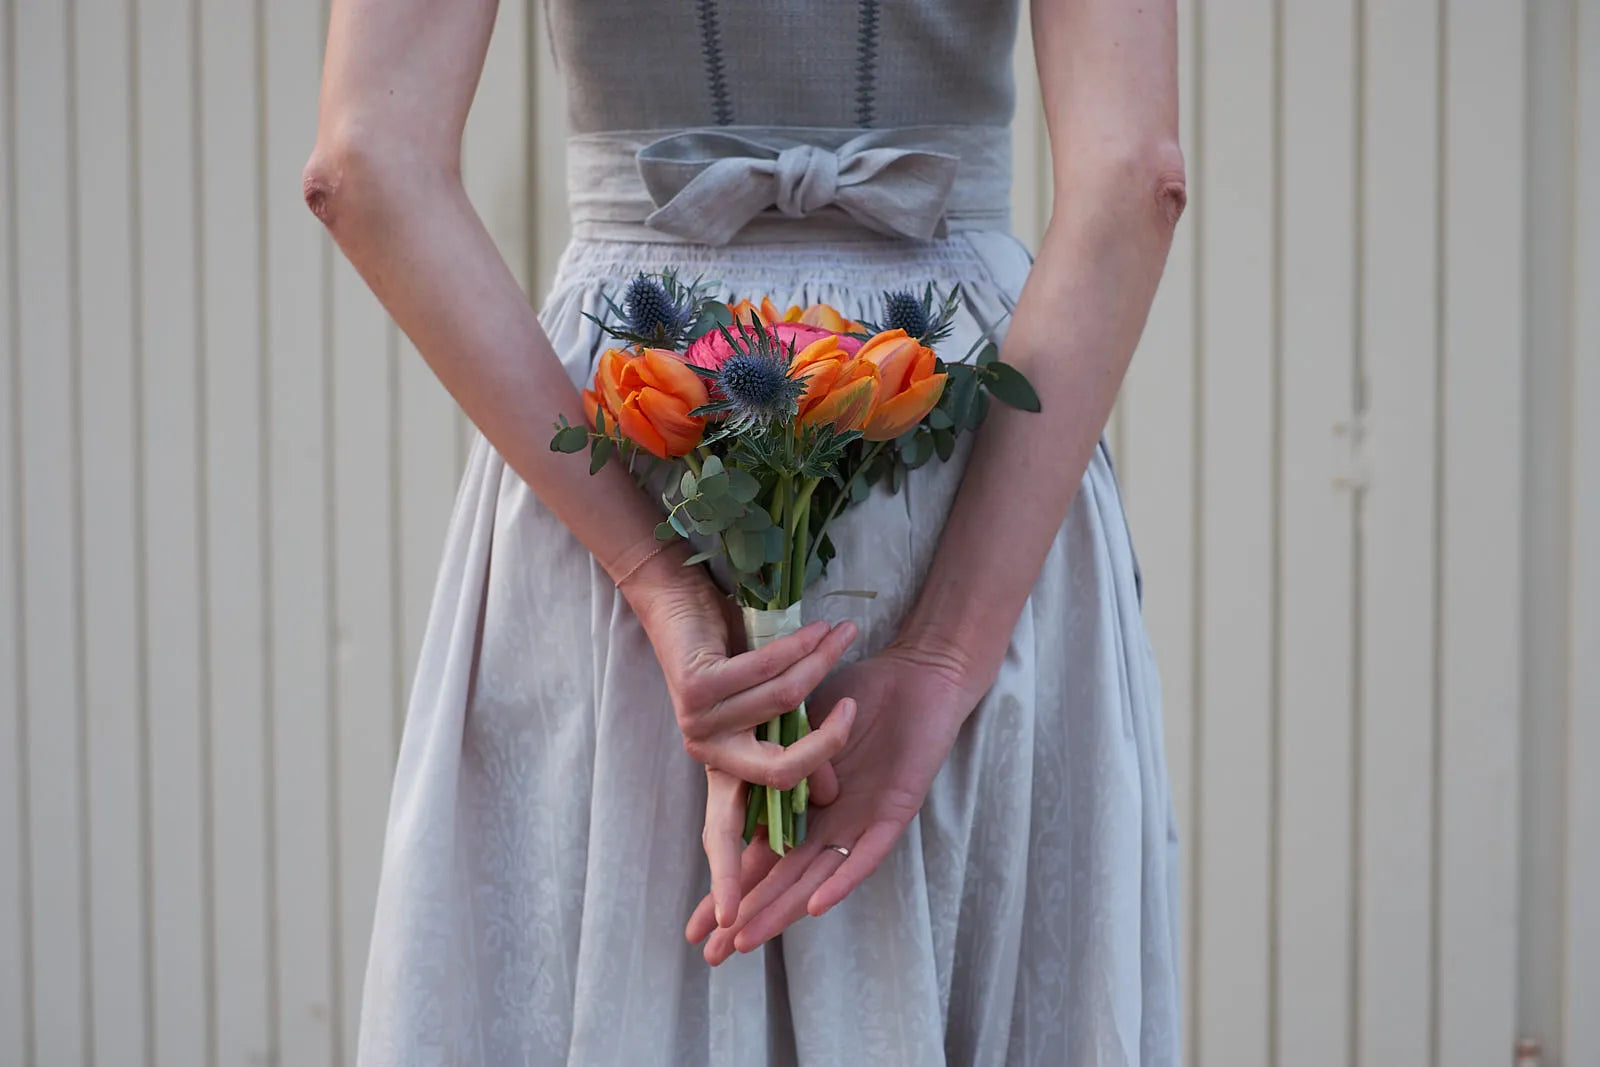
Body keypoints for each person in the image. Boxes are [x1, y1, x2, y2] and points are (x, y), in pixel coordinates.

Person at [306, 0, 1187, 1062]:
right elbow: (1135, 177)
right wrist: (954, 646)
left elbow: (362, 166)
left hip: (633, 409)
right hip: (958, 409)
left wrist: (653, 574)